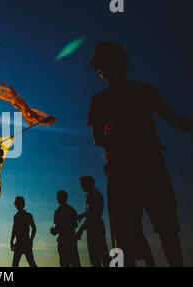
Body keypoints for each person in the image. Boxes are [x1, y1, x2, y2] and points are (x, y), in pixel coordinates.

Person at [88, 41, 193, 266]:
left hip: (128, 170)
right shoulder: (142, 92)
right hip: (145, 166)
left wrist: (121, 150)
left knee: (139, 234)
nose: (101, 73)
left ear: (117, 64)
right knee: (159, 232)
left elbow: (99, 139)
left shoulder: (104, 100)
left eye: (102, 67)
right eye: (99, 69)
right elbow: (176, 123)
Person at [76, 176, 110, 267]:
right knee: (99, 257)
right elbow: (91, 214)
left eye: (82, 184)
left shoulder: (95, 195)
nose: (81, 186)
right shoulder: (92, 196)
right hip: (93, 228)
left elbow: (93, 215)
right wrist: (83, 216)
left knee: (99, 257)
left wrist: (81, 229)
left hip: (96, 229)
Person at [50, 190, 80, 267]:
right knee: (75, 263)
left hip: (63, 241)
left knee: (64, 263)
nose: (57, 198)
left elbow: (57, 228)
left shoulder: (58, 211)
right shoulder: (71, 210)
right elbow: (74, 225)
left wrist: (54, 231)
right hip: (71, 240)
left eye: (58, 197)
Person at [10, 196, 37, 267]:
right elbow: (14, 230)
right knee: (17, 264)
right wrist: (11, 241)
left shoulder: (27, 216)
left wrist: (31, 239)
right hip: (21, 242)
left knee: (31, 262)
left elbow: (34, 228)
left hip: (24, 242)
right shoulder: (17, 216)